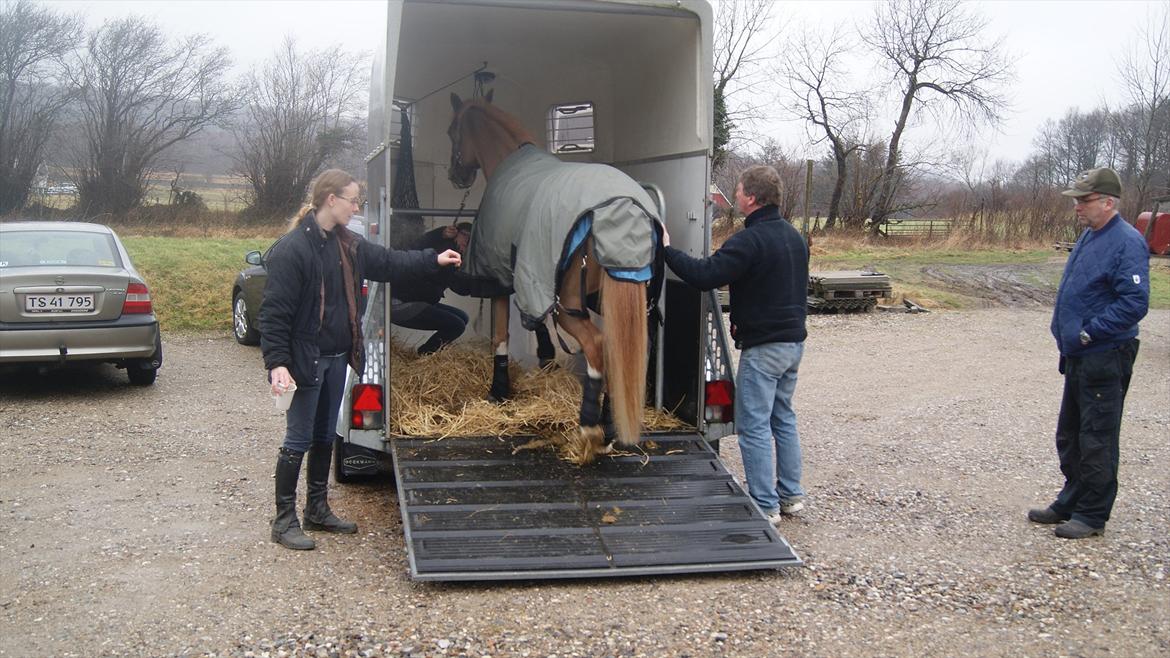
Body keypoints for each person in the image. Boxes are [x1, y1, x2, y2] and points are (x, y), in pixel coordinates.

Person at [260, 169, 461, 550]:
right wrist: (277, 363)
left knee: (323, 437)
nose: (357, 207)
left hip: (337, 358)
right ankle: (283, 520)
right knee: (297, 439)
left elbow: (388, 262)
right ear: (330, 199)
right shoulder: (293, 250)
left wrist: (434, 259)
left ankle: (317, 509)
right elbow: (273, 314)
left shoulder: (346, 245)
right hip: (306, 362)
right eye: (353, 200)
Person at [661, 165, 809, 526]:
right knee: (783, 418)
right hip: (793, 344)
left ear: (751, 198)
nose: (737, 194)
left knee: (753, 424)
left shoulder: (749, 241)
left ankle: (765, 505)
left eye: (740, 190)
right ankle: (791, 496)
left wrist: (666, 250)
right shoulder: (794, 237)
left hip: (764, 347)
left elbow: (704, 275)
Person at [1029, 167, 1149, 539]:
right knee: (1071, 434)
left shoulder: (1126, 241)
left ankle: (1093, 514)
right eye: (1077, 201)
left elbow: (1134, 302)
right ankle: (1073, 498)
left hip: (1105, 354)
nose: (1078, 207)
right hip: (1080, 354)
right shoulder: (1089, 236)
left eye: (1085, 200)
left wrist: (1088, 332)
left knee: (1097, 434)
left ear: (1107, 202)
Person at [391, 223, 473, 355]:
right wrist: (440, 233)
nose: (467, 241)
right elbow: (417, 245)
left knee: (463, 318)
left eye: (471, 239)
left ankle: (425, 354)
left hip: (417, 300)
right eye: (465, 235)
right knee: (457, 325)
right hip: (401, 303)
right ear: (455, 233)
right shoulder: (445, 248)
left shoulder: (453, 251)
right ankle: (424, 355)